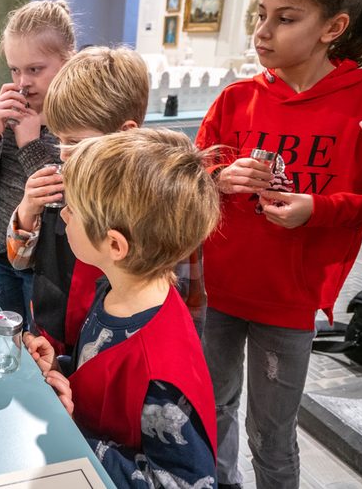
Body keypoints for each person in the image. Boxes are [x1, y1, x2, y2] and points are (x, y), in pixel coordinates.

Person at [195, 0, 362, 488]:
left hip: (290, 301)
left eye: (285, 18)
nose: (263, 31)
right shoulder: (236, 100)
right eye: (261, 15)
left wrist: (319, 210)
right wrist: (218, 179)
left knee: (272, 436)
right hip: (220, 290)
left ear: (335, 26)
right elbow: (187, 181)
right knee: (211, 414)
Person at [25, 129, 220, 488]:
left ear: (115, 244)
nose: (64, 215)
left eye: (74, 209)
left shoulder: (160, 371)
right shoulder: (115, 292)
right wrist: (61, 368)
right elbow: (105, 371)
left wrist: (75, 438)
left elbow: (184, 481)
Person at [6, 47, 207, 356]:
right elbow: (19, 260)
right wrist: (27, 208)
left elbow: (186, 304)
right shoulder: (56, 183)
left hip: (118, 351)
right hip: (51, 338)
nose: (62, 154)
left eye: (75, 142)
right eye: (59, 139)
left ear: (125, 133)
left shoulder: (162, 203)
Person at [0, 0, 75, 321]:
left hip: (47, 264)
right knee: (2, 343)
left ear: (68, 59)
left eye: (35, 69)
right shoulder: (3, 110)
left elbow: (63, 198)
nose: (22, 82)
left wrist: (29, 144)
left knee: (42, 348)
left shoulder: (77, 120)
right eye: (14, 69)